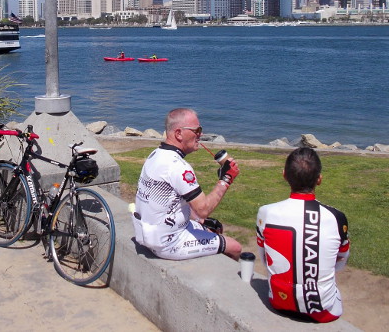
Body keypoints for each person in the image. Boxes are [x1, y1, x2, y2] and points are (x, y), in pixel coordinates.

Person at [132, 108, 242, 261]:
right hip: (168, 242)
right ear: (178, 133)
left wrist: (198, 220)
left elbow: (169, 203)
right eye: (197, 130)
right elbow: (203, 209)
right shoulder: (177, 166)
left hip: (149, 232)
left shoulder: (155, 155)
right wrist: (226, 179)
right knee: (235, 247)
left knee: (213, 227)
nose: (200, 134)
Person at [256, 147, 350, 323]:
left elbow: (264, 258)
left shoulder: (265, 213)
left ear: (284, 175)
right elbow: (341, 260)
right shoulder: (336, 218)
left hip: (278, 302)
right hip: (323, 312)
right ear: (319, 179)